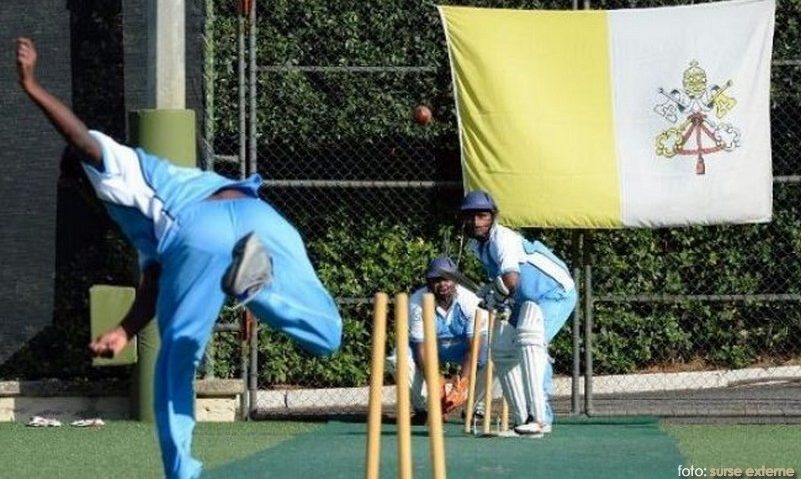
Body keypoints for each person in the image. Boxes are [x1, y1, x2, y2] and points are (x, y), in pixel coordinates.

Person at [16, 37, 342, 479]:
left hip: (197, 231)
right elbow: (154, 279)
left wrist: (32, 85)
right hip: (261, 218)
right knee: (326, 335)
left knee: (177, 360)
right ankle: (259, 290)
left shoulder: (120, 170)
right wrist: (124, 330)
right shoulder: (147, 207)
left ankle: (182, 473)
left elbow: (79, 139)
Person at [461, 190, 576, 437]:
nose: (476, 222)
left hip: (554, 292)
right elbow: (503, 282)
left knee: (531, 341)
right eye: (471, 217)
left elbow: (511, 280)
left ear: (493, 217)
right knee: (502, 349)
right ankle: (522, 420)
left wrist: (495, 296)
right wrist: (491, 293)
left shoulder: (503, 238)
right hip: (525, 299)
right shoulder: (477, 246)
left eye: (482, 216)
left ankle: (541, 419)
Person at [386, 256, 488, 424]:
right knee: (397, 358)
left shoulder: (470, 299)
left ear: (455, 280)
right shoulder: (417, 301)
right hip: (432, 349)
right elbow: (421, 348)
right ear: (428, 282)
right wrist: (436, 384)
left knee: (493, 354)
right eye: (436, 280)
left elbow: (474, 347)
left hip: (464, 349)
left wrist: (460, 386)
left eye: (447, 279)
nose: (443, 285)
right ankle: (426, 408)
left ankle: (476, 407)